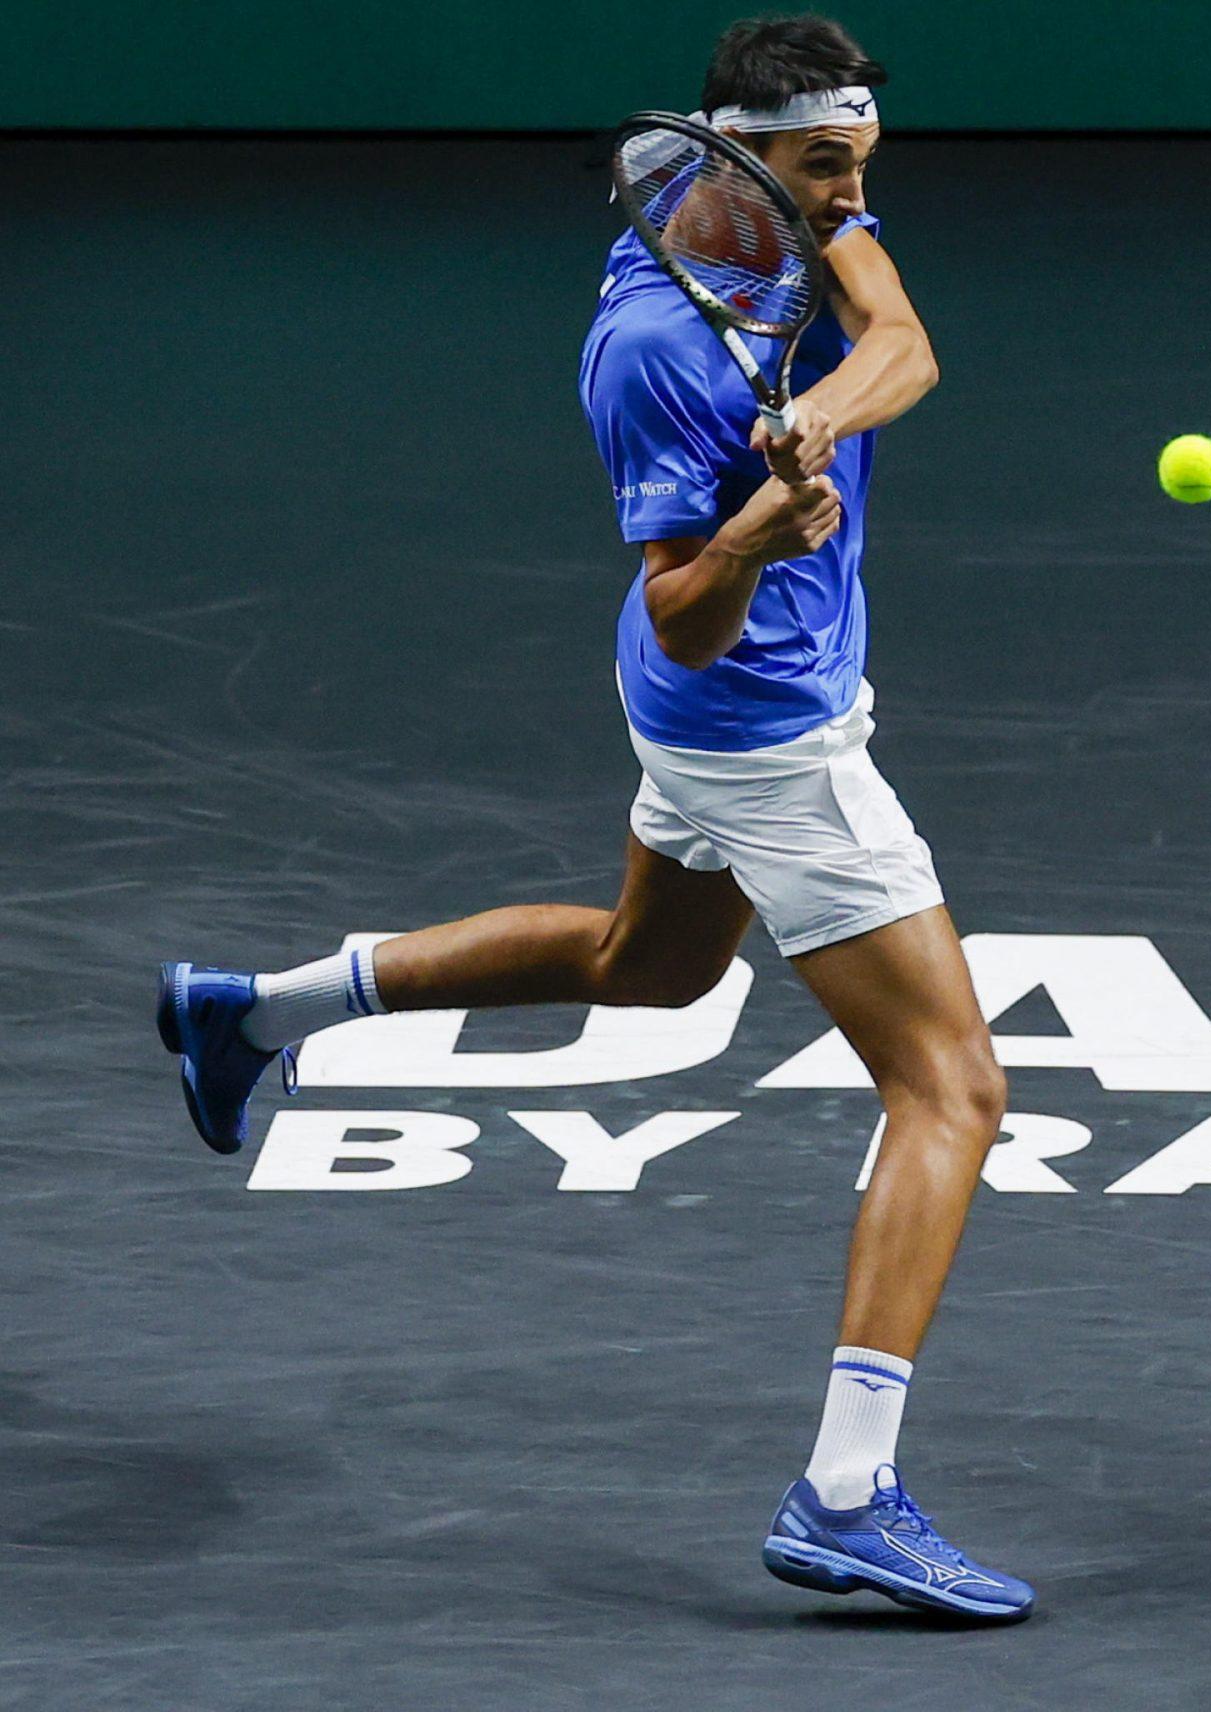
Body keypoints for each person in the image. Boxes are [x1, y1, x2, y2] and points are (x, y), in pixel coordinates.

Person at [153, 14, 1034, 1622]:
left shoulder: (798, 210)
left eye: (862, 167)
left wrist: (821, 421)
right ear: (737, 152)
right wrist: (766, 528)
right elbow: (686, 607)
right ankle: (846, 1493)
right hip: (760, 724)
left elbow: (903, 338)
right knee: (954, 1089)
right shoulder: (655, 349)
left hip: (717, 715)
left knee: (650, 967)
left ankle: (254, 1014)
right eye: (825, 169)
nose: (850, 199)